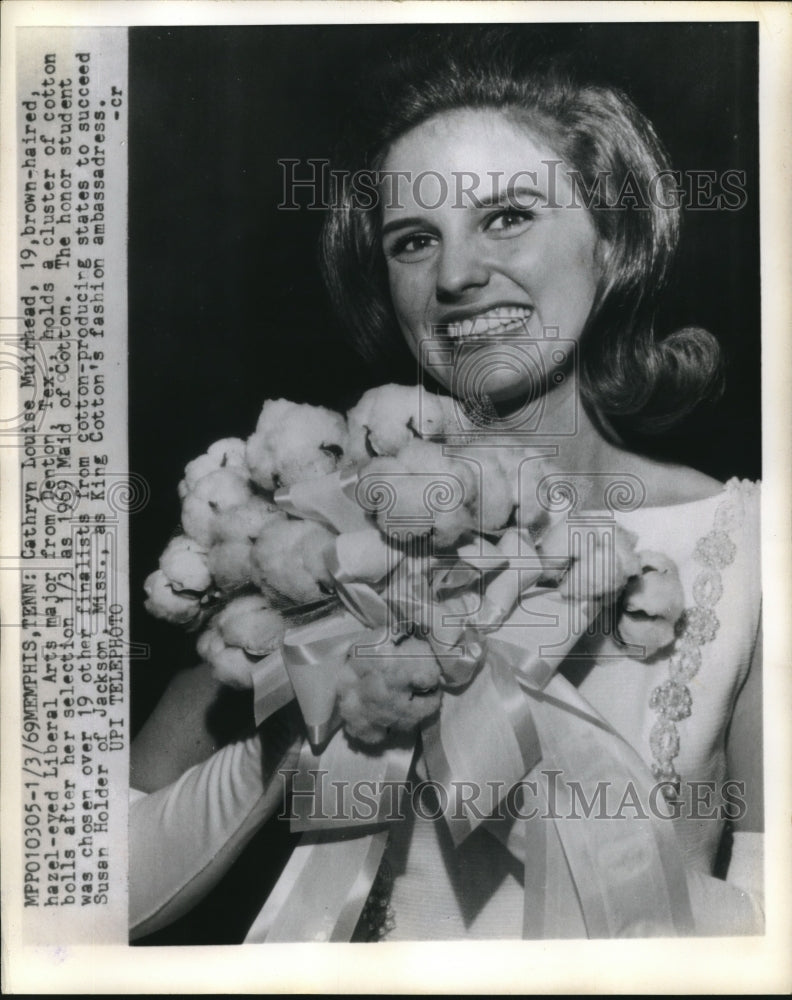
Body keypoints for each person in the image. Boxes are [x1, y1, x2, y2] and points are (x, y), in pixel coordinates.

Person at [129, 29, 762, 942]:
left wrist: (538, 811)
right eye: (415, 239)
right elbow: (74, 897)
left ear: (611, 243)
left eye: (508, 216)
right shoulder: (321, 534)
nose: (457, 275)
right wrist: (315, 709)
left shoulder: (743, 544)